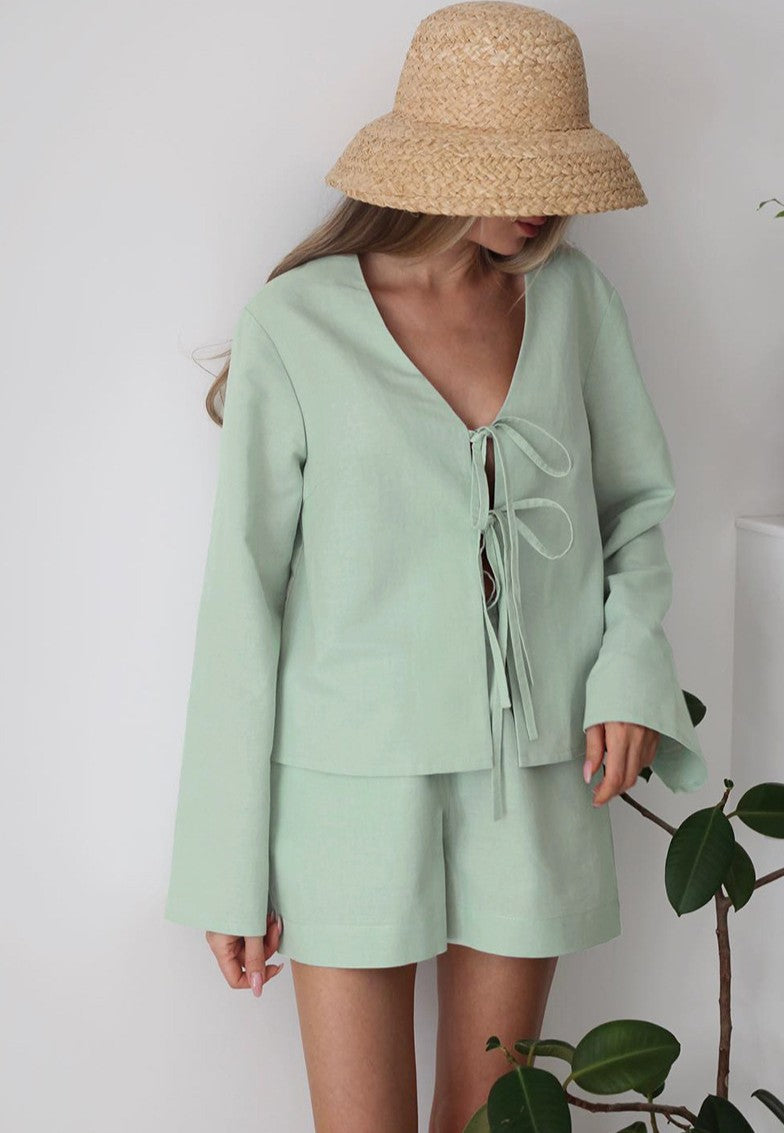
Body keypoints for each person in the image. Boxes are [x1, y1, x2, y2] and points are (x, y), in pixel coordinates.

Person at [164, 3, 708, 1131]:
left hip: (537, 775)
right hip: (347, 786)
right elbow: (243, 599)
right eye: (517, 167)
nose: (543, 199)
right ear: (438, 164)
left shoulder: (574, 303)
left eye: (558, 169)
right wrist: (226, 864)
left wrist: (626, 675)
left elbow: (635, 513)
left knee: (493, 1120)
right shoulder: (297, 323)